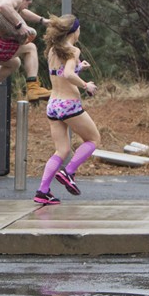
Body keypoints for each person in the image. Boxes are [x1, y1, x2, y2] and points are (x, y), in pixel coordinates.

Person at [34, 15, 100, 205]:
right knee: (94, 139)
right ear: (75, 31)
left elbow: (61, 74)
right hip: (69, 104)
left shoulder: (53, 50)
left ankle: (42, 191)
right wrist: (86, 85)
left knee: (61, 150)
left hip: (53, 104)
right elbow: (69, 74)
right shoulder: (73, 50)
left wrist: (79, 67)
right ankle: (68, 172)